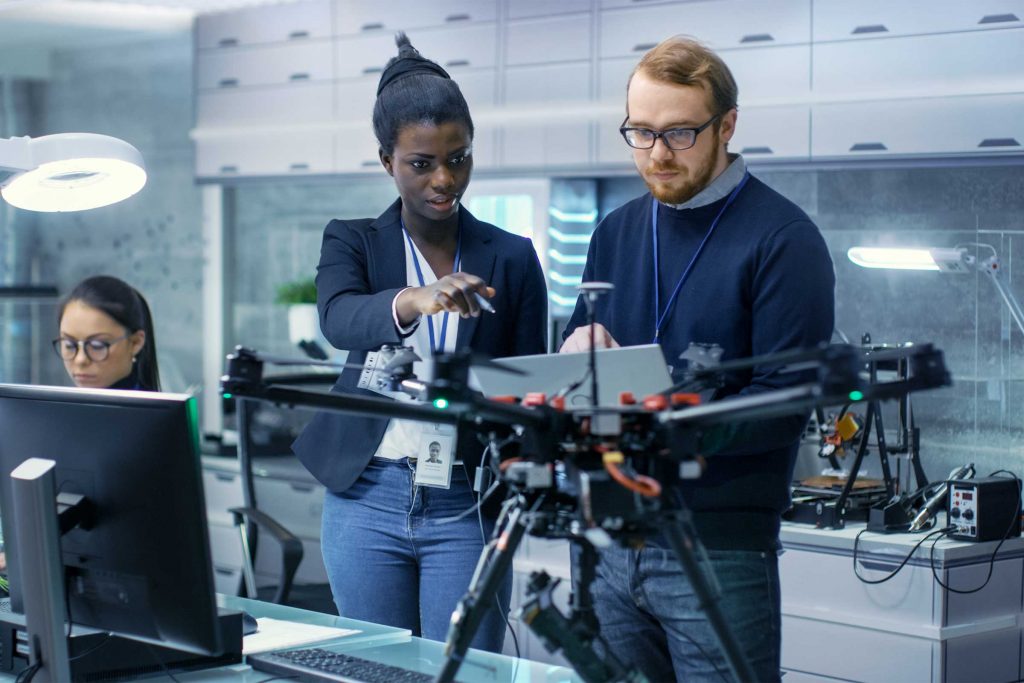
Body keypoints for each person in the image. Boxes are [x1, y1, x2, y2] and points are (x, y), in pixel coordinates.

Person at [560, 36, 835, 682]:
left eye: (680, 133)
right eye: (640, 132)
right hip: (608, 537)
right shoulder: (615, 231)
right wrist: (576, 356)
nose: (656, 154)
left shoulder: (783, 239)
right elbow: (580, 356)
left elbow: (784, 405)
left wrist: (659, 415)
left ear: (727, 125)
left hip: (718, 548)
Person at [292, 33, 547, 651]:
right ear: (387, 161)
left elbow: (527, 385)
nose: (444, 179)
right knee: (375, 665)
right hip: (365, 497)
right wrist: (415, 298)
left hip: (465, 499)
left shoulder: (510, 257)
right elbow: (339, 317)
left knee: (464, 667)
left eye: (458, 158)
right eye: (421, 163)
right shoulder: (352, 240)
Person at [53, 275, 161, 392]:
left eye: (97, 346)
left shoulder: (150, 410)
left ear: (135, 343)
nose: (80, 360)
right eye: (69, 345)